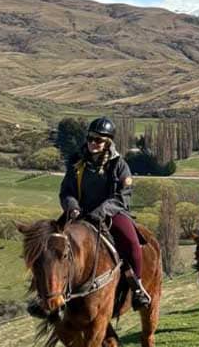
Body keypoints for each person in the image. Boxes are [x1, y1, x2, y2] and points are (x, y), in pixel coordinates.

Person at [59, 116, 150, 308]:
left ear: (108, 142)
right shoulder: (76, 161)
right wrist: (73, 207)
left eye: (99, 140)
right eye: (91, 138)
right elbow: (66, 191)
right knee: (51, 242)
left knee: (132, 242)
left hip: (111, 213)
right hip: (79, 213)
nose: (93, 143)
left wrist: (100, 212)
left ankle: (138, 288)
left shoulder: (119, 164)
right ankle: (46, 293)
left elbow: (122, 196)